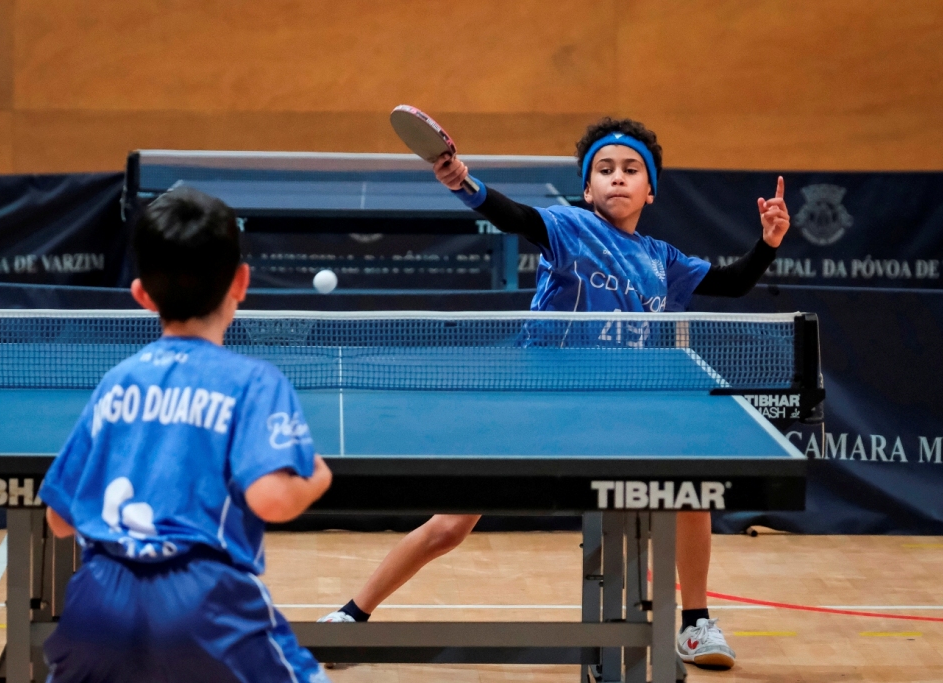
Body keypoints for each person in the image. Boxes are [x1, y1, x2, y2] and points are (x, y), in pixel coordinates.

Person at [320, 117, 791, 671]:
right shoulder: (569, 227)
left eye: (631, 169)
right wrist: (465, 184)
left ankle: (694, 624)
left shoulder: (662, 258)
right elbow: (514, 216)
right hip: (539, 399)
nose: (618, 177)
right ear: (588, 189)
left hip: (622, 406)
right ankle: (352, 615)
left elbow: (732, 282)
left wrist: (768, 243)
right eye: (605, 170)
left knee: (691, 492)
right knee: (450, 525)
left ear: (651, 190)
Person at [38, 187, 333, 683]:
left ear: (141, 295)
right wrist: (319, 476)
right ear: (241, 281)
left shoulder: (116, 383)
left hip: (97, 604)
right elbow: (273, 500)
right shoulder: (253, 382)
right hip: (204, 602)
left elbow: (59, 519)